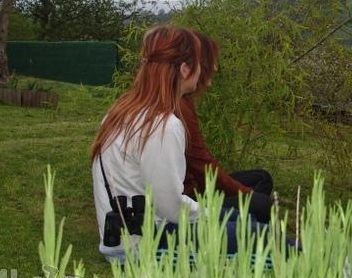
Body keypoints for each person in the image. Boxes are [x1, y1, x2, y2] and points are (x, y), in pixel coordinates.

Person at [90, 25, 269, 264]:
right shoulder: (162, 124)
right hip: (144, 246)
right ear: (185, 70)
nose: (208, 69)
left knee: (243, 219)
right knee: (265, 237)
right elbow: (172, 209)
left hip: (120, 237)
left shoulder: (121, 112)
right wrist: (210, 213)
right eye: (199, 63)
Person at [180, 31, 274, 223]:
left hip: (196, 186)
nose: (215, 67)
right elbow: (203, 168)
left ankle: (247, 222)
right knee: (261, 203)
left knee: (262, 178)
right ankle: (252, 234)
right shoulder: (180, 108)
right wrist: (246, 194)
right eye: (210, 62)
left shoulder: (185, 101)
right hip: (192, 196)